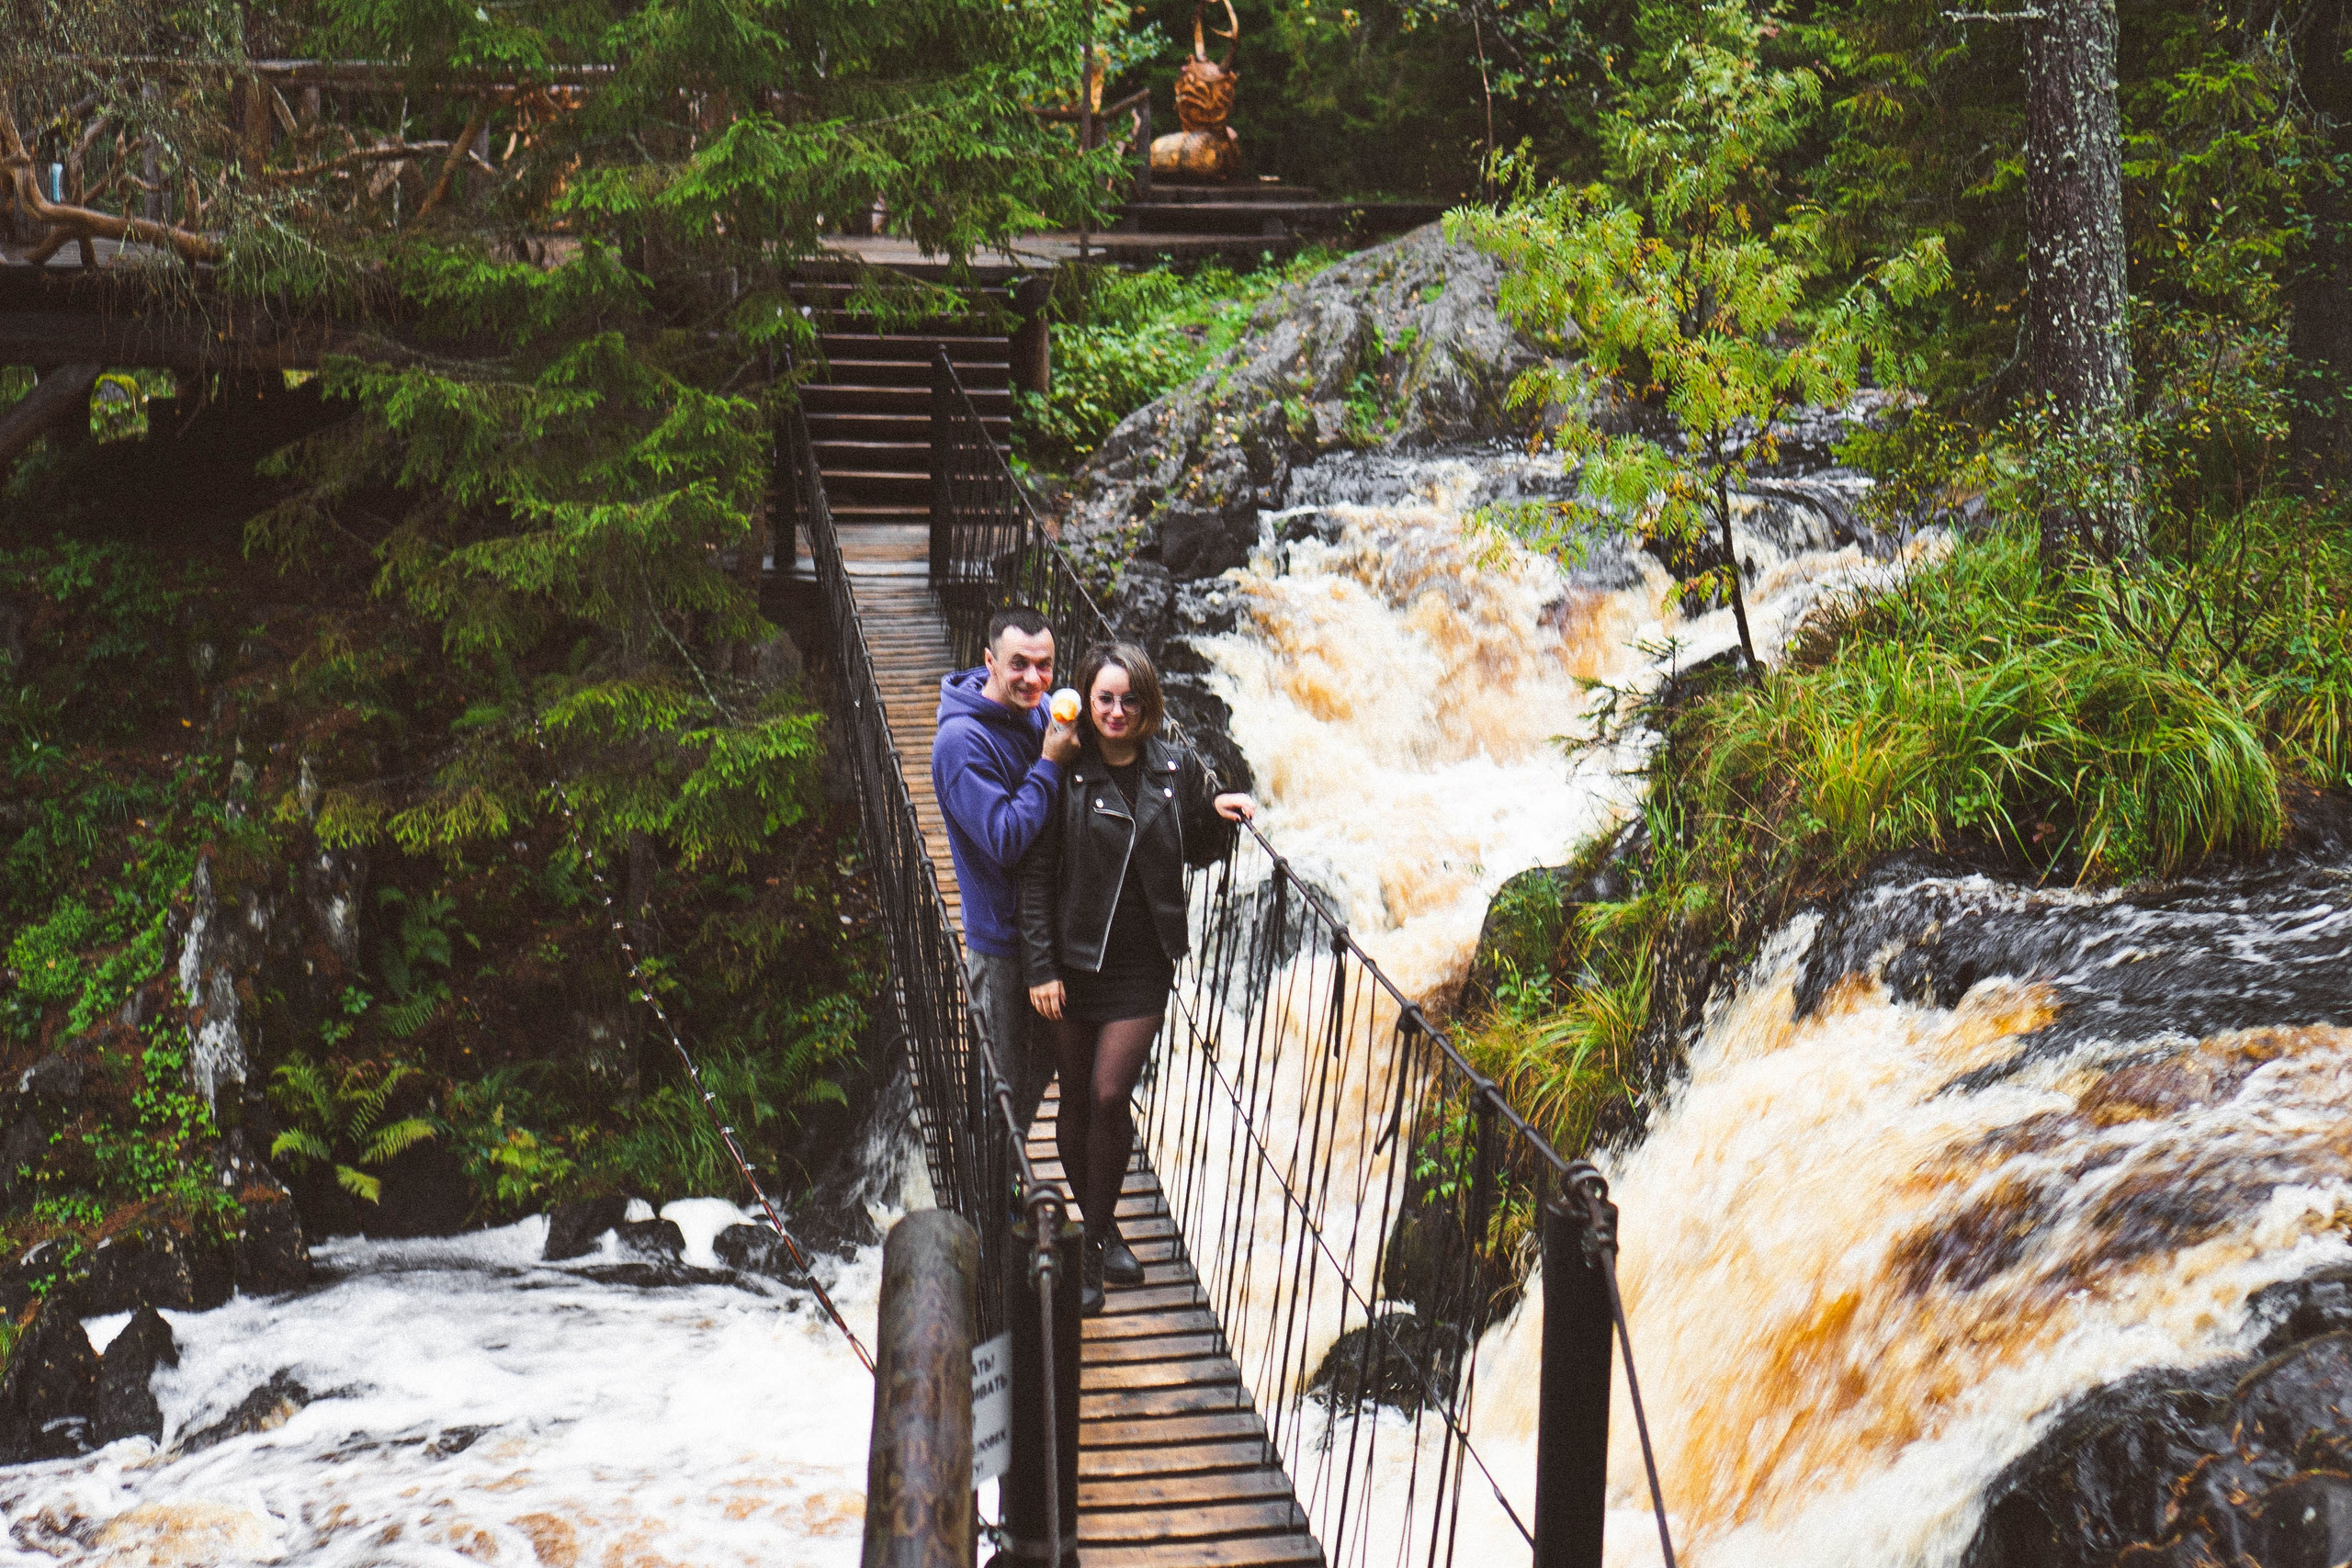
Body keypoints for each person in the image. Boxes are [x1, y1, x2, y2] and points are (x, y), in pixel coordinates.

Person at [1017, 641, 1254, 1313]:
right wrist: (1039, 966)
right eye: (1104, 699)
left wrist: (1218, 814)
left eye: (1129, 700)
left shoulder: (1174, 770)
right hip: (1071, 963)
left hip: (1141, 964)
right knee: (1076, 1103)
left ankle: (1089, 1243)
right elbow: (1034, 876)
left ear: (1147, 704)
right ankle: (1106, 1225)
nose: (1116, 711)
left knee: (1110, 1094)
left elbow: (1192, 848)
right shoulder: (1063, 769)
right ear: (1086, 703)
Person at [933, 606, 1081, 1136]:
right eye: (1019, 664)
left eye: (1045, 666)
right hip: (1000, 938)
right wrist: (1049, 762)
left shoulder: (1036, 711)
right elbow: (1005, 839)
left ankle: (1004, 1177)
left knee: (1038, 1069)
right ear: (990, 661)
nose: (1034, 679)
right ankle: (989, 1205)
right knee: (1001, 1086)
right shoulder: (961, 743)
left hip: (1043, 929)